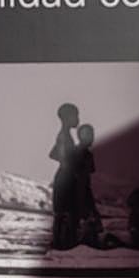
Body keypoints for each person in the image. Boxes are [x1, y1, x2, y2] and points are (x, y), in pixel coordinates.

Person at [48, 101, 79, 250]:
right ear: (67, 117)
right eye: (75, 116)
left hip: (63, 175)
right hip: (66, 177)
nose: (77, 119)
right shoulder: (65, 137)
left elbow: (52, 154)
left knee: (62, 212)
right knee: (64, 212)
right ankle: (61, 244)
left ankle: (61, 242)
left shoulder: (64, 135)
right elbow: (59, 155)